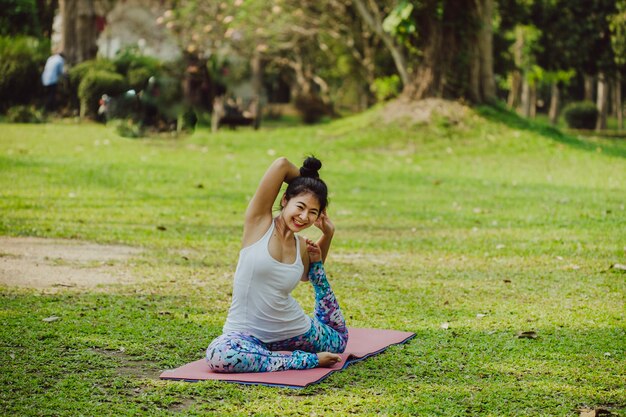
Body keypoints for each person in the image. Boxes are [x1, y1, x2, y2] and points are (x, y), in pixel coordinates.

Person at [206, 156, 348, 372]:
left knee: (338, 342)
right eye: (300, 206)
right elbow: (281, 164)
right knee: (220, 355)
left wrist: (328, 234)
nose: (303, 217)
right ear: (284, 200)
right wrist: (308, 182)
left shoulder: (301, 245)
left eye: (313, 212)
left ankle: (267, 357)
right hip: (247, 335)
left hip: (294, 330)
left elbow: (309, 276)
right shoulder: (259, 224)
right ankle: (304, 360)